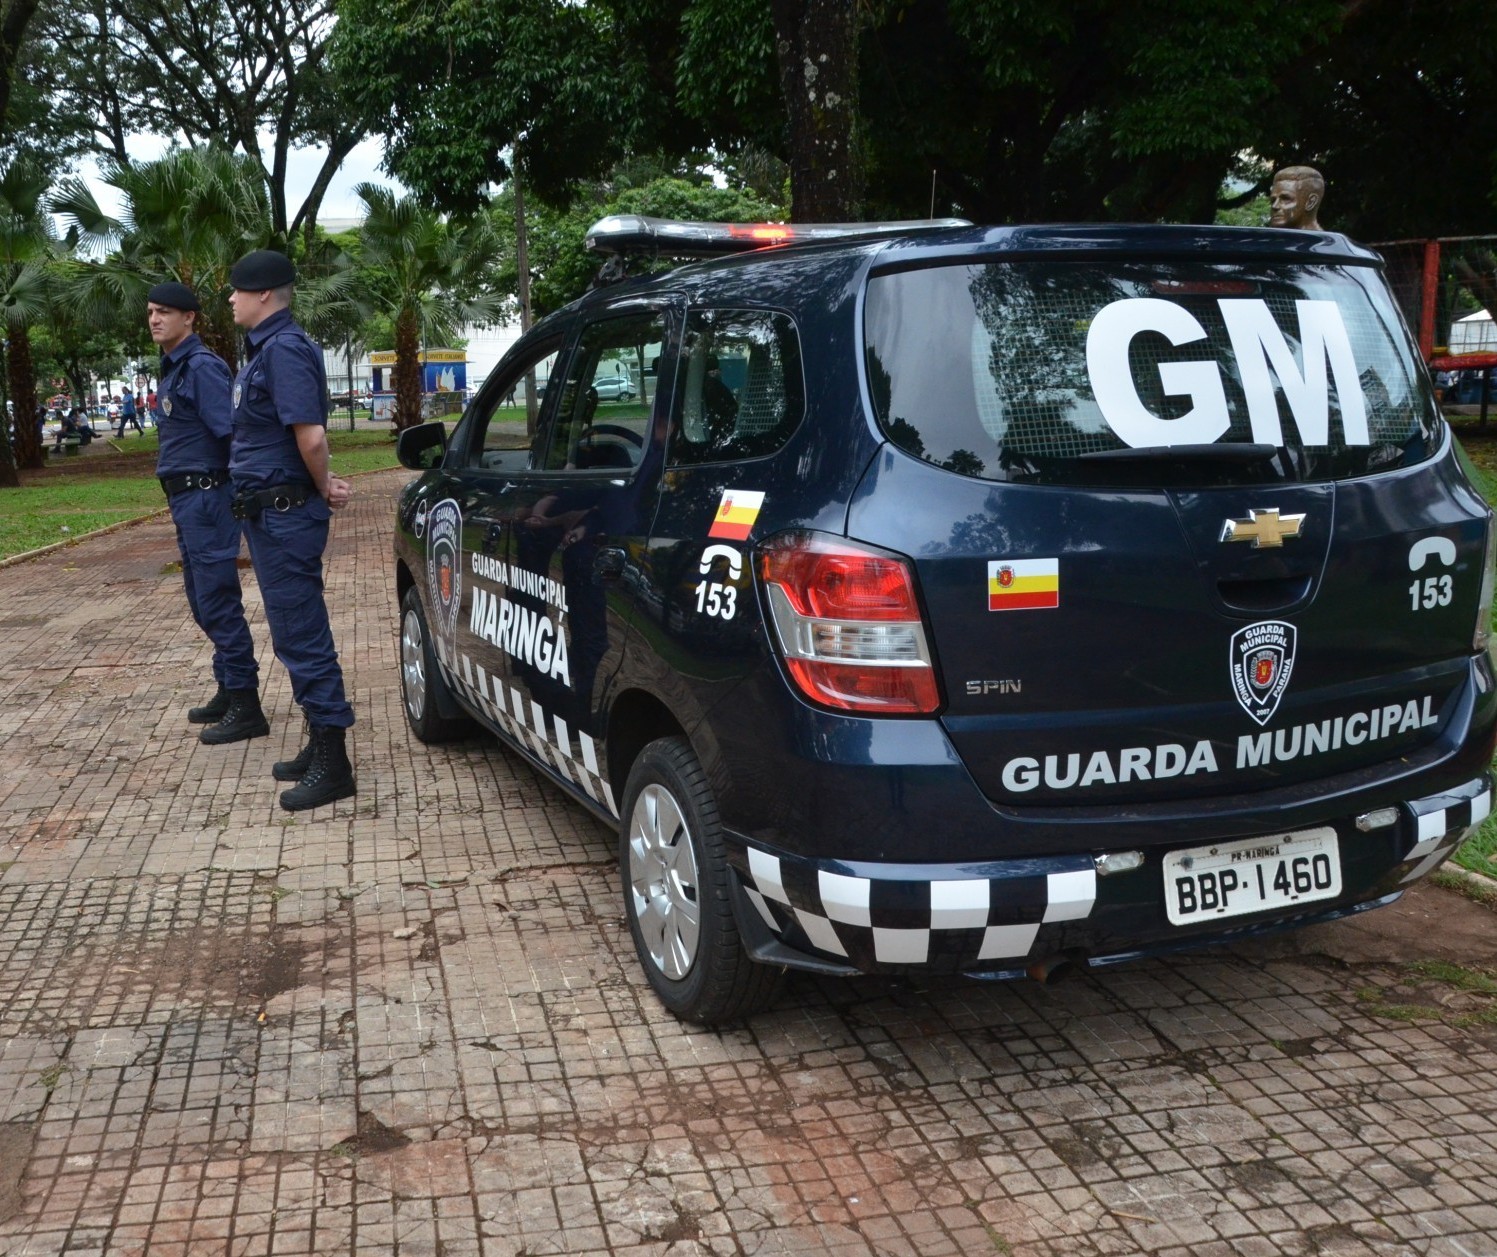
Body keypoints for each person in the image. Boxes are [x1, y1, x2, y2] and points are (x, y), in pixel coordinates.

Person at [227, 248, 356, 811]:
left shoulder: (283, 351)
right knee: (290, 632)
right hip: (268, 513)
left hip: (285, 514)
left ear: (262, 295)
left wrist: (325, 485)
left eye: (236, 290)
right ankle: (316, 741)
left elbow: (312, 439)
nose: (229, 300)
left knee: (302, 633)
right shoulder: (262, 353)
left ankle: (334, 762)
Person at [148, 280, 265, 743]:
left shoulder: (200, 368)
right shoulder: (174, 368)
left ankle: (246, 702)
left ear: (189, 317)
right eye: (151, 311)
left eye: (165, 312)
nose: (155, 319)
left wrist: (237, 492)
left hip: (207, 496)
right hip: (185, 499)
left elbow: (233, 435)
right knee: (202, 600)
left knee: (216, 599)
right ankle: (228, 685)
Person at [1268, 165, 1325, 231]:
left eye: (1285, 199)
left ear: (1310, 202)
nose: (1274, 206)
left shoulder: (1329, 241)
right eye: (1273, 200)